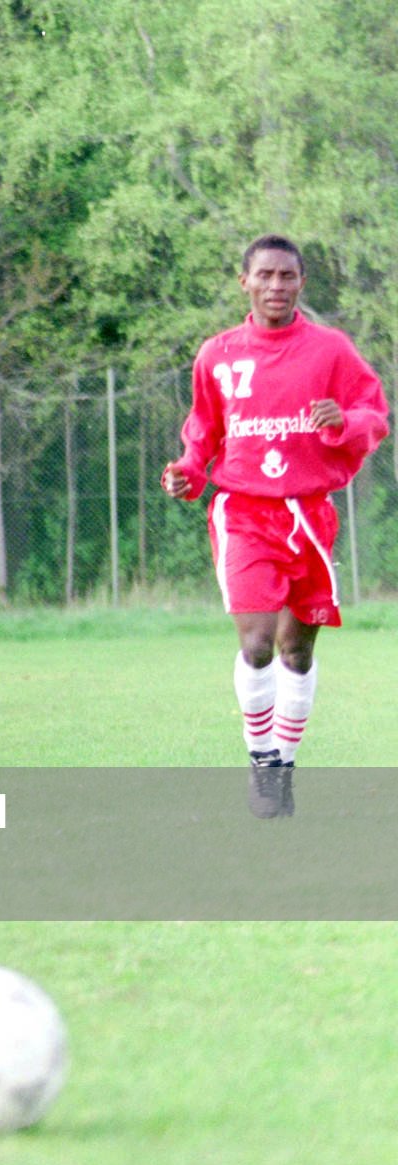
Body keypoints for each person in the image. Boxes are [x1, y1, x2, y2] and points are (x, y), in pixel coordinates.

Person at [161, 234, 389, 817]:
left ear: (301, 283)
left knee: (297, 652)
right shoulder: (218, 353)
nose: (276, 286)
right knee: (257, 642)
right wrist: (189, 470)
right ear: (245, 282)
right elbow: (203, 429)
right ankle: (261, 760)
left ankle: (285, 761)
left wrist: (345, 420)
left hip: (309, 516)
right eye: (265, 275)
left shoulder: (330, 349)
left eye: (287, 276)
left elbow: (374, 412)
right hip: (244, 512)